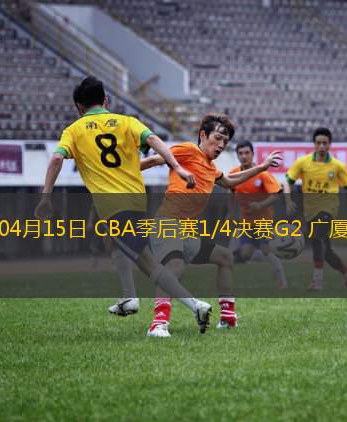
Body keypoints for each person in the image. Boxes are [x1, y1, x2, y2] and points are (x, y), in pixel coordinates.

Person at [34, 76, 212, 337]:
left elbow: (56, 160)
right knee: (113, 243)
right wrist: (177, 167)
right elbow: (154, 140)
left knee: (149, 265)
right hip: (135, 201)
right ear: (106, 100)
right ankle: (129, 297)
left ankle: (196, 306)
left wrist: (46, 197)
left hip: (113, 205)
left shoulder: (74, 130)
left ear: (79, 106)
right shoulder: (127, 122)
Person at [140, 114, 283, 335]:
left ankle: (228, 318)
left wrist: (262, 167)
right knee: (174, 267)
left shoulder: (211, 167)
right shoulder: (188, 150)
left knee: (225, 257)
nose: (221, 145)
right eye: (217, 138)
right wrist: (120, 175)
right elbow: (152, 161)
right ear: (203, 135)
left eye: (225, 141)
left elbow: (230, 181)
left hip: (186, 232)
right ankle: (158, 324)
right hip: (167, 224)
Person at [282, 127, 347, 291]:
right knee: (326, 251)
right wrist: (288, 200)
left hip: (328, 210)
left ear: (330, 144)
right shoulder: (303, 163)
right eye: (318, 143)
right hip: (310, 212)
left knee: (317, 240)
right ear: (314, 144)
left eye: (325, 143)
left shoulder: (337, 166)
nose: (322, 146)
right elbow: (287, 181)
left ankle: (317, 282)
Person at [229, 140, 287, 287]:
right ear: (237, 155)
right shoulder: (234, 174)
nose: (244, 156)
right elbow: (232, 193)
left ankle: (282, 283)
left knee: (267, 250)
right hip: (246, 222)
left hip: (263, 221)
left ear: (252, 154)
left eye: (247, 153)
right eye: (240, 153)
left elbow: (276, 195)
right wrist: (231, 213)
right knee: (245, 253)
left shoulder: (263, 174)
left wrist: (260, 205)